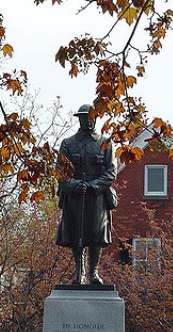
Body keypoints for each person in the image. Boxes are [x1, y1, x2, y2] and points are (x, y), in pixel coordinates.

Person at [56, 104, 117, 284]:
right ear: (80, 119)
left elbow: (111, 172)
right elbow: (60, 171)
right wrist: (73, 185)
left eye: (91, 117)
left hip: (96, 196)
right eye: (85, 117)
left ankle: (94, 273)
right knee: (76, 232)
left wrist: (93, 186)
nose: (88, 120)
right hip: (75, 196)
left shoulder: (105, 143)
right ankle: (79, 273)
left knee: (96, 234)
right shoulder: (68, 143)